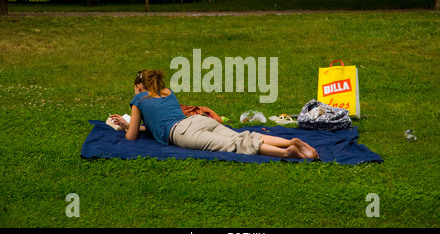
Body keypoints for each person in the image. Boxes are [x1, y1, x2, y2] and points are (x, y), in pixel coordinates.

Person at [111, 69, 319, 159]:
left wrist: (128, 126)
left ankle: (286, 152)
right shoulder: (168, 92)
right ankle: (288, 141)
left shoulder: (138, 99)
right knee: (241, 135)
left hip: (182, 132)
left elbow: (131, 137)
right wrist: (131, 125)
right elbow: (158, 122)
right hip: (196, 121)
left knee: (234, 145)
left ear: (139, 86)